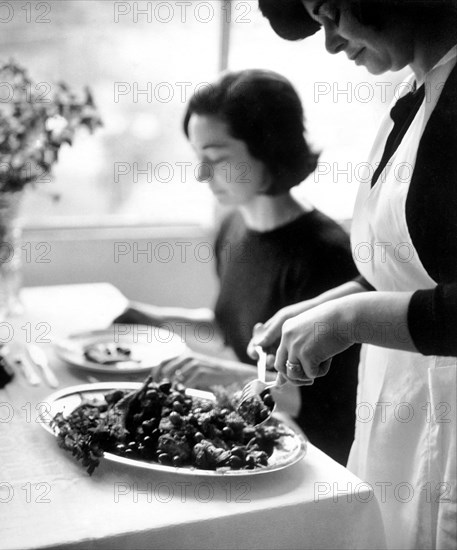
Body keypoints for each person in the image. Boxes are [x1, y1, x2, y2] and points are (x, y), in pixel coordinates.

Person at [252, 1, 457, 549]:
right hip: (396, 406)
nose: (332, 43)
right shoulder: (413, 96)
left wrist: (349, 319)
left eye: (330, 13)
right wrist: (329, 304)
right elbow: (409, 267)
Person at [115, 69, 361, 464]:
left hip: (308, 456)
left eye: (215, 158)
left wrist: (217, 372)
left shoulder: (326, 255)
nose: (201, 174)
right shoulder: (232, 226)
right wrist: (155, 318)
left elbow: (303, 398)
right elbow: (234, 327)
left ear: (269, 148)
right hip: (252, 430)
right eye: (198, 157)